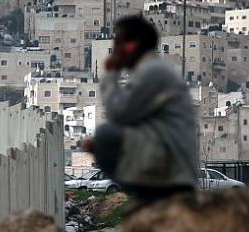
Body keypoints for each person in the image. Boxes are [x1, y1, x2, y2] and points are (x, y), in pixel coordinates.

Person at [82, 15, 198, 207]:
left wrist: (110, 74)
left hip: (173, 170)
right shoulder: (152, 69)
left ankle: (151, 196)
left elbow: (118, 114)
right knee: (101, 142)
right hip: (166, 159)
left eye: (118, 44)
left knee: (105, 136)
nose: (115, 50)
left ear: (131, 46)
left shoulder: (151, 71)